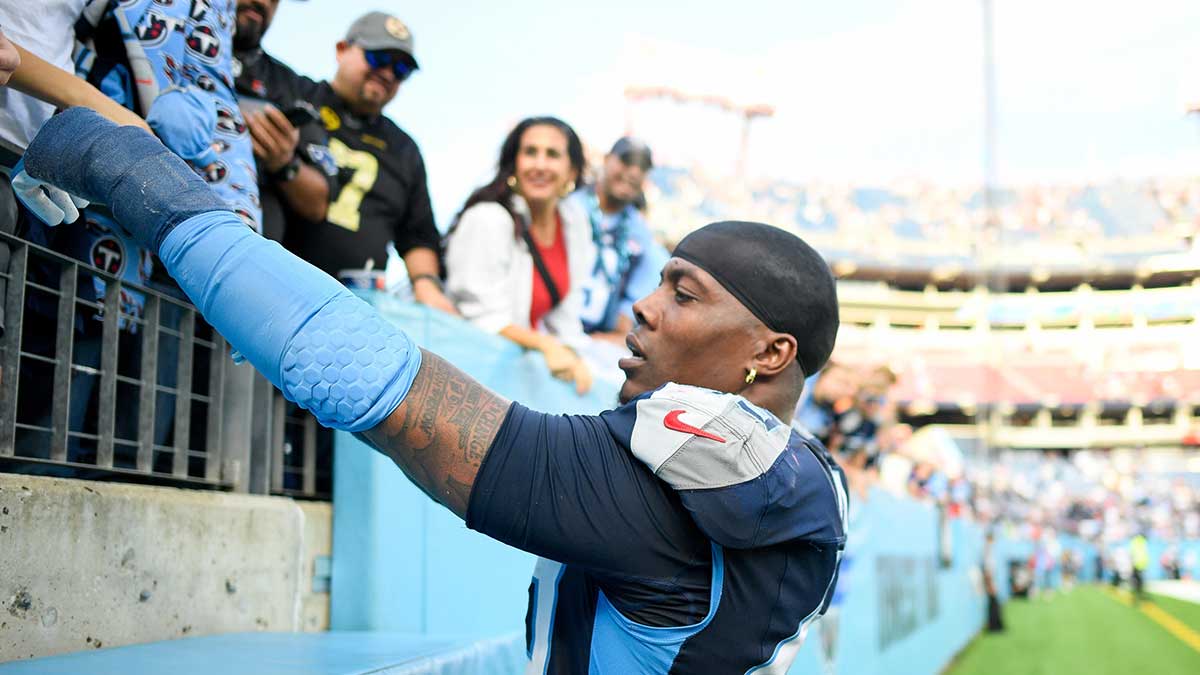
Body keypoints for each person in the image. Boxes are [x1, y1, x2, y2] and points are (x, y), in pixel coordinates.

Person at [20, 107, 848, 673]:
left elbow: (366, 376)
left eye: (685, 293)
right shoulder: (797, 481)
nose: (644, 306)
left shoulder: (677, 485)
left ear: (770, 353)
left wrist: (121, 168)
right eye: (658, 280)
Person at [260, 11, 455, 314]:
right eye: (378, 58)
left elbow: (418, 235)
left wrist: (426, 286)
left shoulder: (404, 149)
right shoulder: (294, 95)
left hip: (355, 314)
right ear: (342, 50)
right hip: (275, 295)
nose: (388, 73)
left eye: (401, 69)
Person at [444, 118, 595, 394]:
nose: (540, 165)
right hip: (464, 375)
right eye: (530, 152)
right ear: (514, 163)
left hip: (509, 377)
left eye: (552, 154)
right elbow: (480, 318)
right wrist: (545, 344)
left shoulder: (574, 223)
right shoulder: (488, 218)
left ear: (572, 171)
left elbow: (566, 319)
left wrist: (573, 355)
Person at [232, 0, 338, 242]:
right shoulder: (161, 40)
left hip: (247, 250)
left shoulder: (293, 88)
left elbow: (320, 203)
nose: (262, 2)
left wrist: (283, 162)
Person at [566, 137, 669, 345]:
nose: (633, 172)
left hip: (595, 339)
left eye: (642, 168)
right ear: (606, 160)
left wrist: (616, 335)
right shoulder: (570, 207)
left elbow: (634, 298)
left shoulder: (640, 232)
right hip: (549, 327)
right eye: (626, 161)